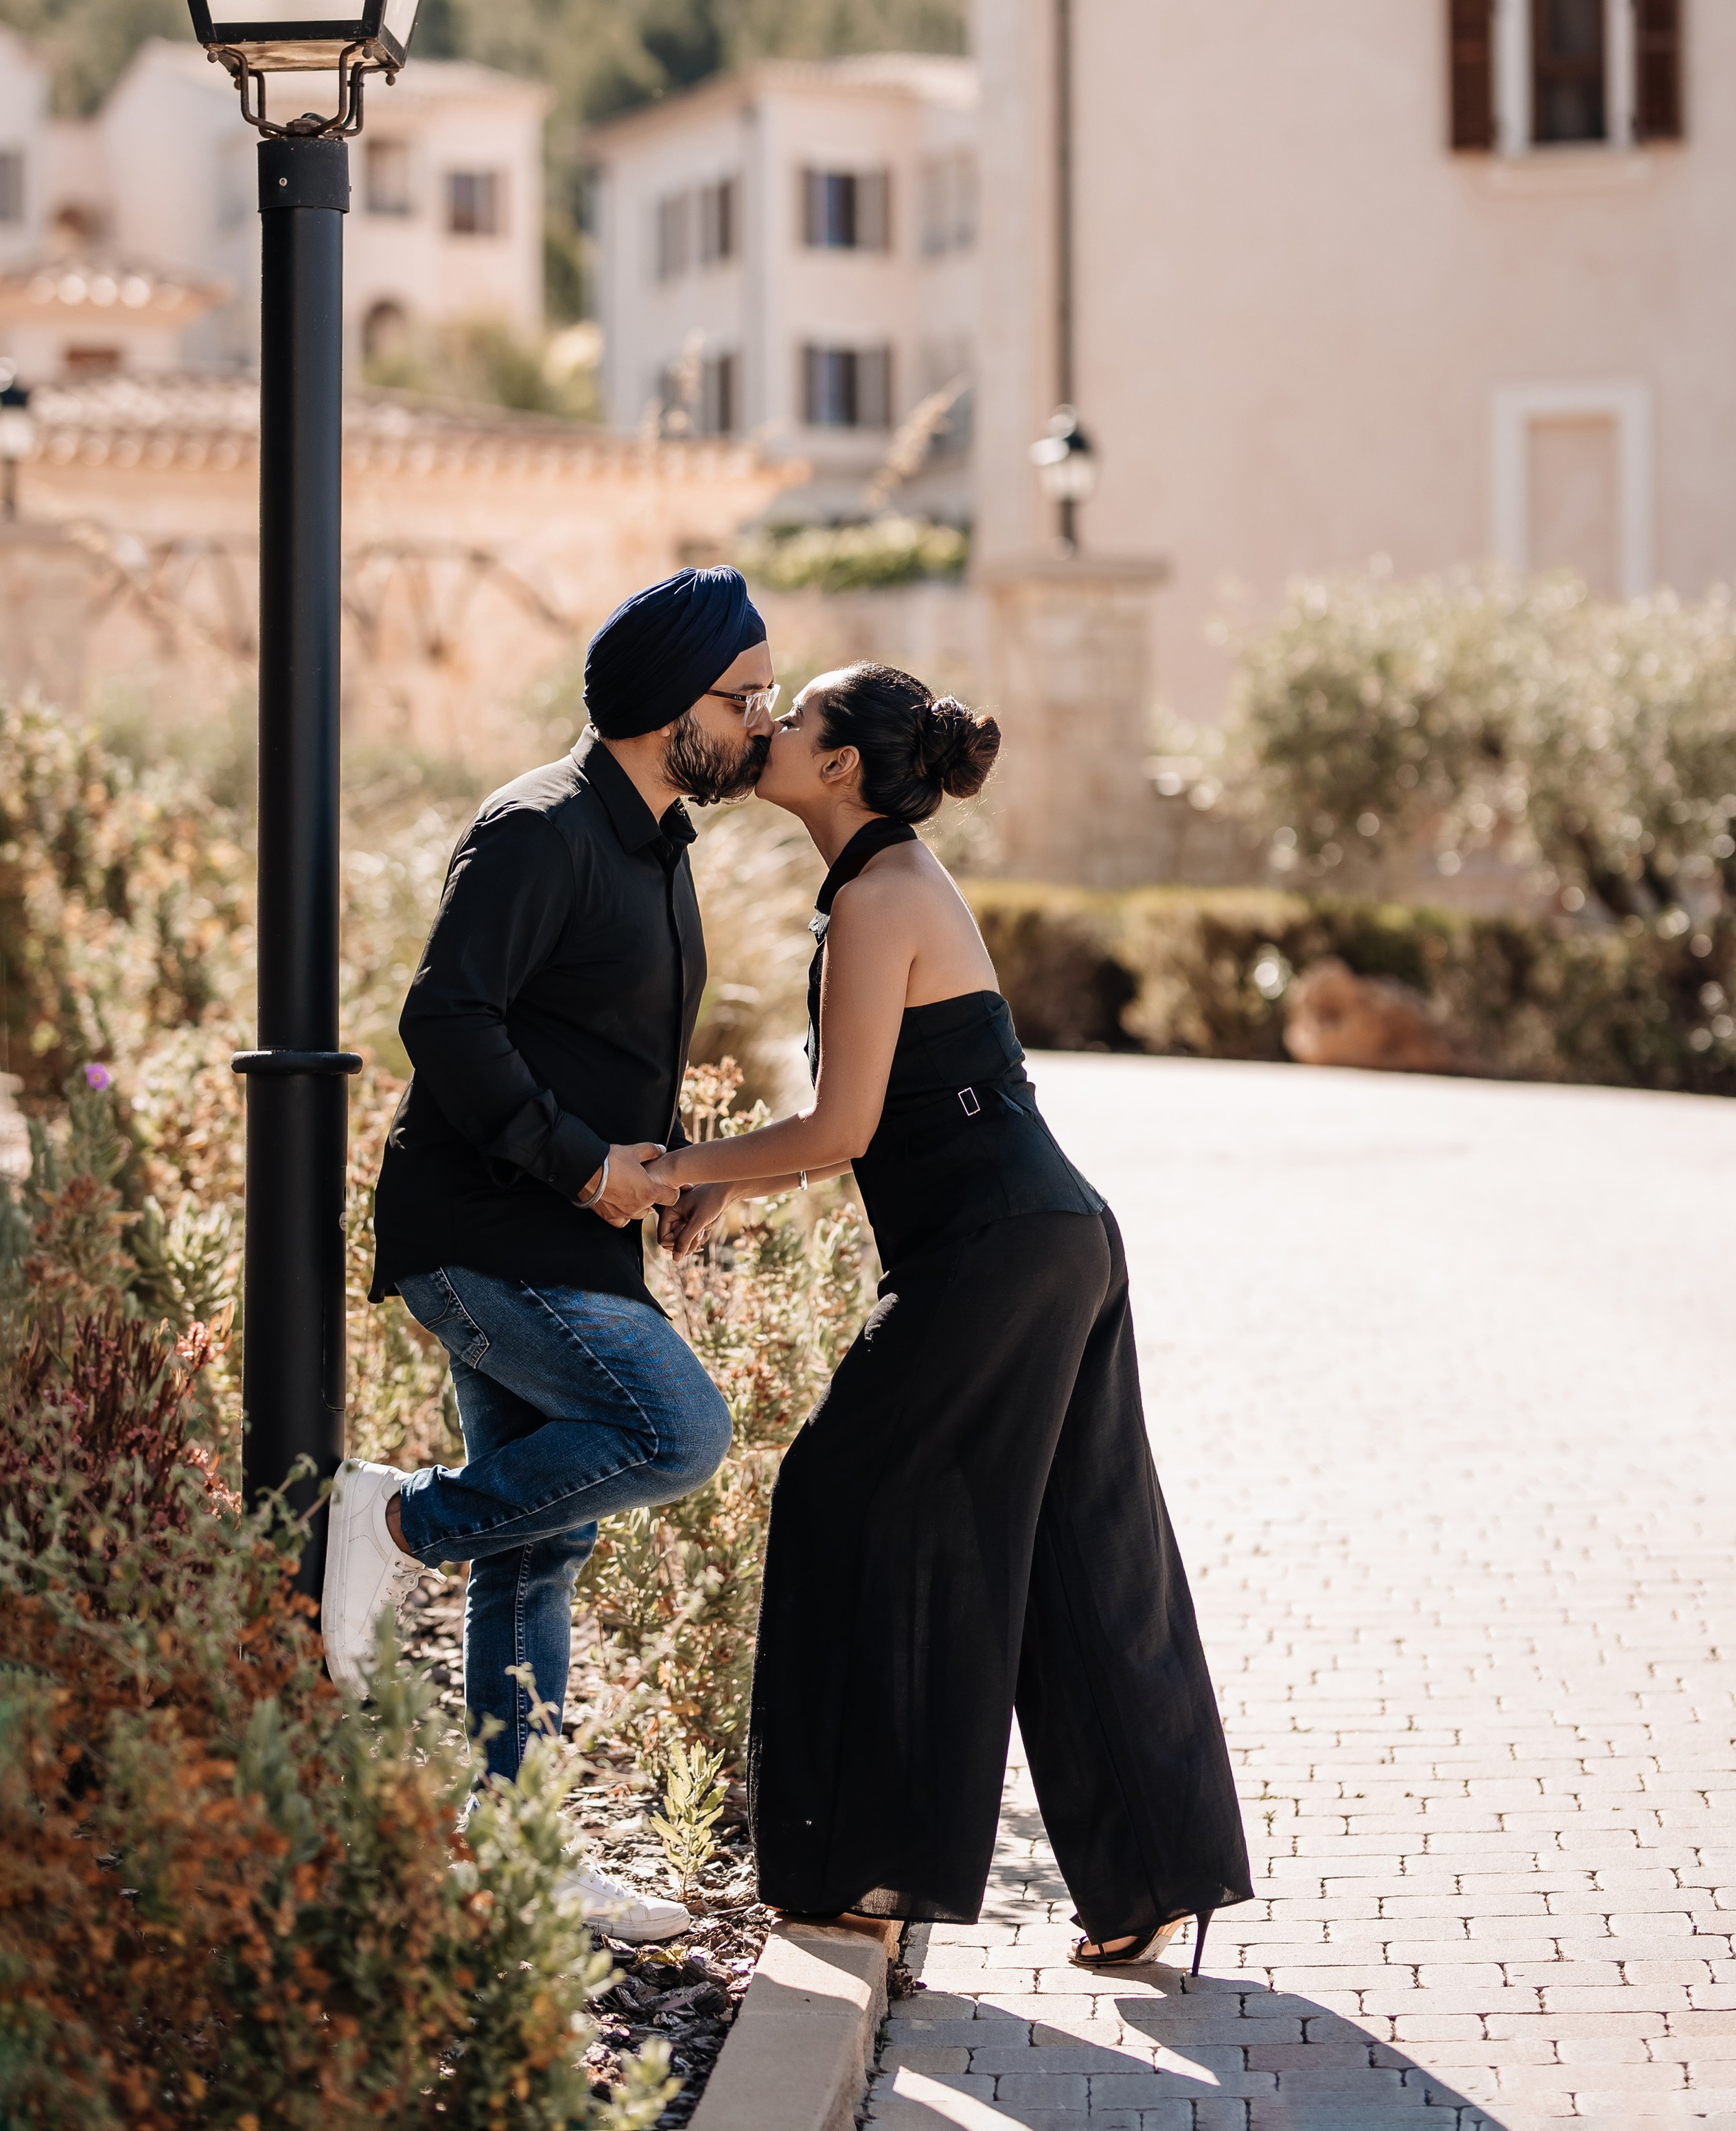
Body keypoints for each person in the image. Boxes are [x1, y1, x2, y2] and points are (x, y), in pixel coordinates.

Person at [651, 662, 1253, 1969]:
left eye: (792, 716)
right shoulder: (893, 883)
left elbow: (846, 1124)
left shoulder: (877, 896)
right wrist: (729, 1192)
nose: (766, 728)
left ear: (842, 765)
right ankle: (1153, 1872)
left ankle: (865, 1869)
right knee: (1069, 1549)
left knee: (838, 1492)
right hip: (1052, 1239)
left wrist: (677, 1168)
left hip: (994, 1253)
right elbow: (875, 1121)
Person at [320, 565, 778, 1944]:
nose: (760, 724)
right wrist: (583, 1162)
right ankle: (391, 1518)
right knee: (677, 1426)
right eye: (740, 698)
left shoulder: (656, 842)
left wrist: (672, 1172)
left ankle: (519, 1853)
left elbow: (594, 1037)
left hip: (564, 1239)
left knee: (545, 1544)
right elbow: (447, 1020)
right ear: (660, 704)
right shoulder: (537, 828)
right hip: (480, 1235)